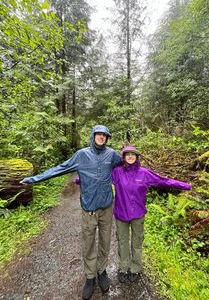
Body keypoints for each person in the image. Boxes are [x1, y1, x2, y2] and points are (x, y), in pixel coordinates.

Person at [20, 125, 121, 300]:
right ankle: (90, 277)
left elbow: (125, 165)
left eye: (104, 135)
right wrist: (33, 179)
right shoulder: (81, 155)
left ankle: (102, 271)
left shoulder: (112, 154)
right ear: (93, 136)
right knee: (88, 242)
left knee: (105, 240)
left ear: (107, 138)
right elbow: (60, 168)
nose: (101, 137)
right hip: (89, 208)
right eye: (99, 134)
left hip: (106, 206)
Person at [76, 145, 191, 284]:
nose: (130, 156)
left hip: (138, 215)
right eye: (127, 154)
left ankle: (135, 268)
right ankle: (123, 268)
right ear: (123, 157)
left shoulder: (144, 173)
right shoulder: (117, 172)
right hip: (121, 214)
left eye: (133, 154)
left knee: (137, 243)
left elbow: (163, 181)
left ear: (137, 157)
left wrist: (184, 185)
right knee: (122, 242)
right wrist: (80, 180)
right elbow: (99, 178)